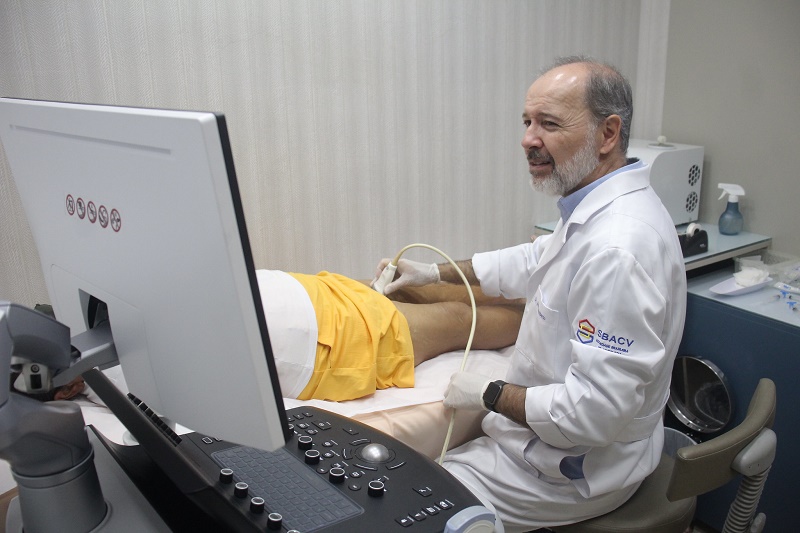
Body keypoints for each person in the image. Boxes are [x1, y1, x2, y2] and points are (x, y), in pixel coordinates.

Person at [374, 56, 687, 531]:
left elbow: (591, 414)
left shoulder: (619, 249)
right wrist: (433, 274)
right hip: (539, 446)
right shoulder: (594, 208)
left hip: (569, 470)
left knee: (411, 513)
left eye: (549, 124)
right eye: (527, 122)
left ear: (607, 133)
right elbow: (533, 259)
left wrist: (489, 393)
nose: (528, 139)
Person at [255, 269, 523, 402]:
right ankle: (534, 313)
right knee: (458, 319)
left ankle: (528, 292)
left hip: (292, 290)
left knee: (407, 288)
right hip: (320, 343)